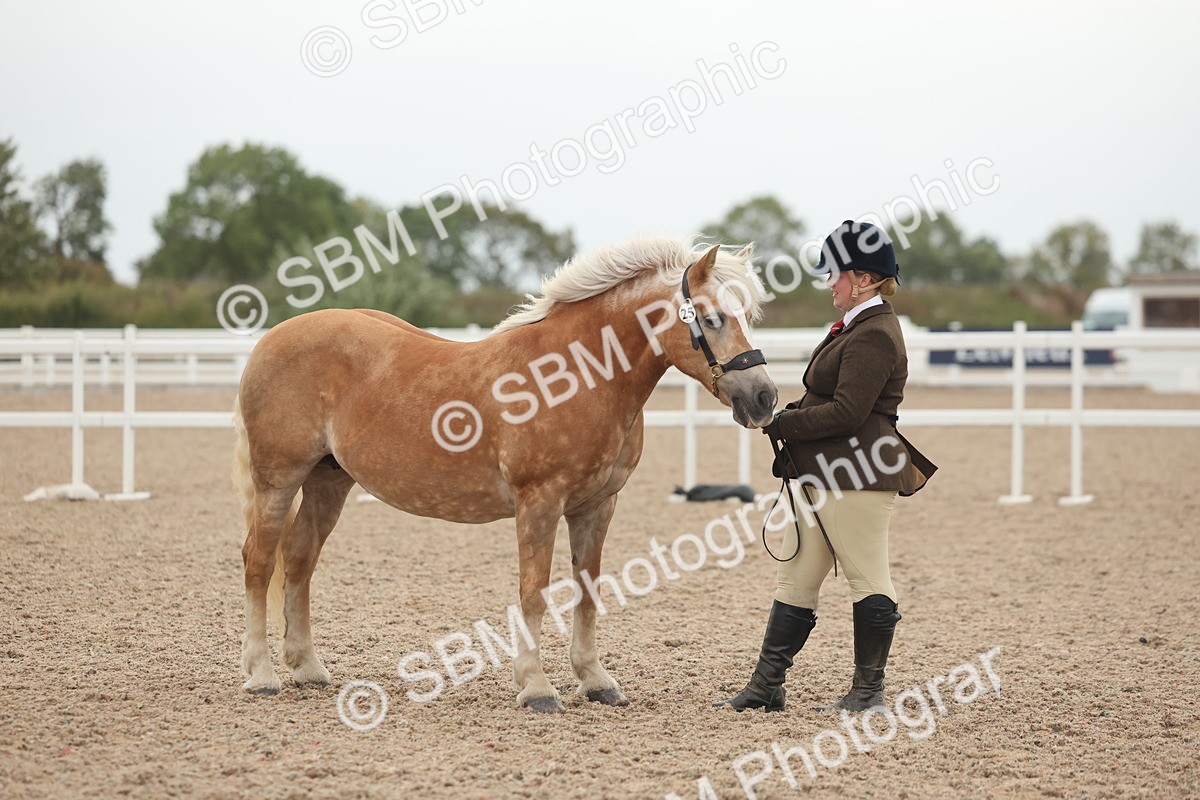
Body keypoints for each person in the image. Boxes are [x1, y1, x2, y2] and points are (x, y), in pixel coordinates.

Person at [715, 219, 936, 713]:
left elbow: (849, 412)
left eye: (836, 274)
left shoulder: (875, 334)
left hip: (858, 473)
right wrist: (790, 417)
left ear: (865, 279)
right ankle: (766, 686)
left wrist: (783, 424)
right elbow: (829, 398)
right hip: (823, 472)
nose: (829, 282)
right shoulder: (856, 327)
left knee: (868, 578)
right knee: (795, 578)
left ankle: (869, 691)